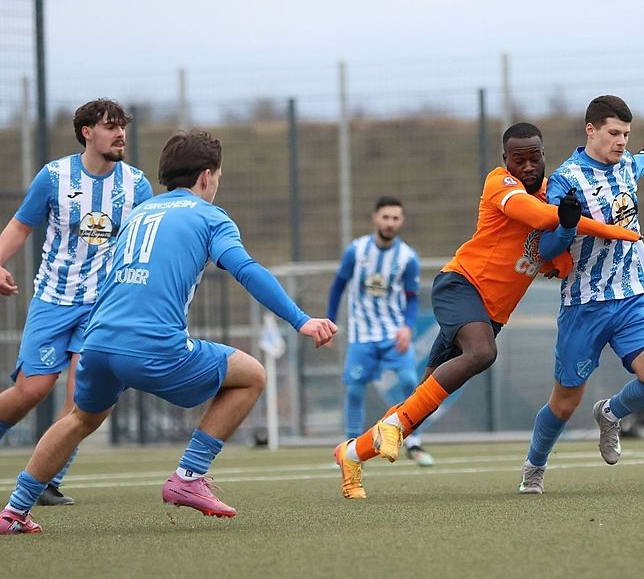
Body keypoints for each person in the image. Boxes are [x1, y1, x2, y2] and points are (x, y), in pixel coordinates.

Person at [0, 130, 337, 535]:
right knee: (251, 375)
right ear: (208, 176)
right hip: (152, 345)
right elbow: (246, 270)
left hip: (99, 340)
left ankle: (14, 511)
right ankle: (189, 476)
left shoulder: (140, 213)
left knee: (79, 418)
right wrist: (302, 320)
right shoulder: (210, 216)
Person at [332, 121, 641, 499]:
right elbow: (544, 219)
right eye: (518, 159)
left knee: (423, 401)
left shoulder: (555, 193)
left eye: (534, 158)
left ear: (544, 156)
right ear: (505, 160)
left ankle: (350, 453)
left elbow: (556, 253)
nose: (527, 166)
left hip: (489, 314)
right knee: (482, 352)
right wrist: (615, 231)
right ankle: (387, 431)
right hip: (461, 286)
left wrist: (564, 246)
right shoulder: (500, 184)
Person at [518, 95, 644, 494]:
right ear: (591, 130)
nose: (621, 141)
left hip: (632, 297)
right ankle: (534, 466)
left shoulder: (627, 164)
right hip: (584, 305)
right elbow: (548, 249)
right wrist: (569, 225)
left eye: (626, 134)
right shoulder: (566, 179)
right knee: (564, 403)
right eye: (613, 133)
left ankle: (611, 413)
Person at [0, 99, 152, 506]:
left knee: (82, 397)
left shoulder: (136, 185)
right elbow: (19, 226)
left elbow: (144, 246)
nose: (120, 134)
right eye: (110, 127)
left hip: (104, 307)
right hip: (53, 298)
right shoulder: (54, 176)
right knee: (31, 391)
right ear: (87, 131)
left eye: (123, 127)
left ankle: (46, 481)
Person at [326, 196, 434, 467]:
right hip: (362, 336)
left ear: (401, 221)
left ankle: (415, 442)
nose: (390, 223)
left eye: (395, 218)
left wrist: (407, 328)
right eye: (385, 217)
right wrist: (328, 321)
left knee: (410, 382)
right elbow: (338, 286)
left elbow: (411, 298)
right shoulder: (356, 251)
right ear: (376, 218)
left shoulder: (408, 257)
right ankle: (349, 450)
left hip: (393, 333)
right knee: (353, 390)